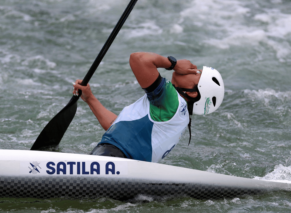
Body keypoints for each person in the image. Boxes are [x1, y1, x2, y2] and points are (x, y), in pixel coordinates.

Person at [72, 52, 224, 163]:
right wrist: (90, 98)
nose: (193, 68)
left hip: (112, 158)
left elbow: (139, 59)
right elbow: (117, 127)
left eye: (197, 73)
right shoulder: (179, 115)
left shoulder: (172, 100)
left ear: (193, 93)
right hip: (124, 167)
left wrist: (174, 64)